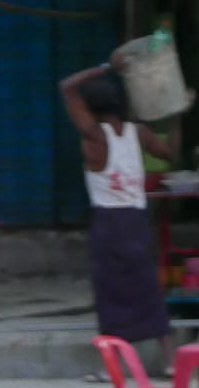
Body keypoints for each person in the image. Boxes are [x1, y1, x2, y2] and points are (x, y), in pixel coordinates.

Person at [61, 63, 177, 372]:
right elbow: (169, 153)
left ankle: (111, 366)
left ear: (91, 108)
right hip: (137, 222)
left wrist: (106, 67)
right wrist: (177, 114)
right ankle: (169, 360)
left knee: (110, 293)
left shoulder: (93, 136)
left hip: (108, 224)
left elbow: (66, 87)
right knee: (148, 290)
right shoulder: (139, 133)